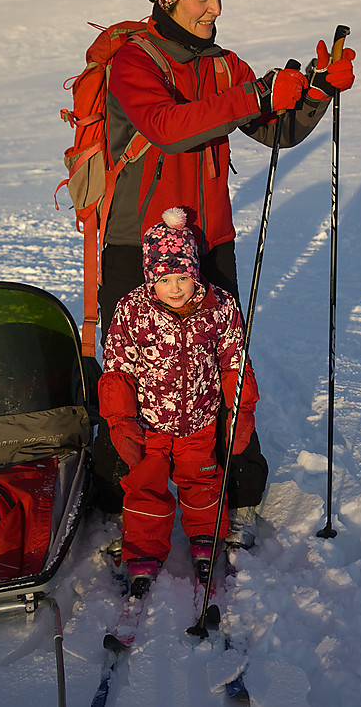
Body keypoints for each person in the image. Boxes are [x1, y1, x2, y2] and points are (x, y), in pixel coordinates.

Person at [93, 0, 356, 546]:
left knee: (216, 361)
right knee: (138, 368)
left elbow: (275, 130)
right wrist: (258, 93)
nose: (216, 8)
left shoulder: (225, 65)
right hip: (140, 245)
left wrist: (316, 89)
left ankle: (232, 475)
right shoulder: (133, 62)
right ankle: (130, 481)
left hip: (209, 239)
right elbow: (166, 126)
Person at [98, 207, 259, 597]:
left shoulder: (219, 307)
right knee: (145, 487)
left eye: (183, 276)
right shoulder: (132, 311)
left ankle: (206, 537)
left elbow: (234, 360)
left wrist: (241, 410)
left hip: (199, 420)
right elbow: (118, 367)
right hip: (150, 423)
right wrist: (121, 420)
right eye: (165, 278)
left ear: (195, 272)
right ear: (151, 276)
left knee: (202, 481)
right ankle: (144, 550)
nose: (175, 287)